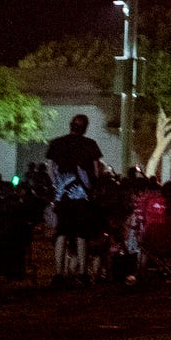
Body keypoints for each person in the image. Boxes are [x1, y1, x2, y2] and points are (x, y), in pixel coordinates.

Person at [47, 116, 105, 286]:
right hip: (82, 196)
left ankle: (59, 273)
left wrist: (57, 186)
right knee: (81, 235)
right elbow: (96, 170)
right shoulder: (90, 144)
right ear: (85, 128)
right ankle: (82, 272)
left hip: (63, 195)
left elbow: (50, 168)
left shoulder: (57, 143)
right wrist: (93, 188)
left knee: (62, 233)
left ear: (70, 126)